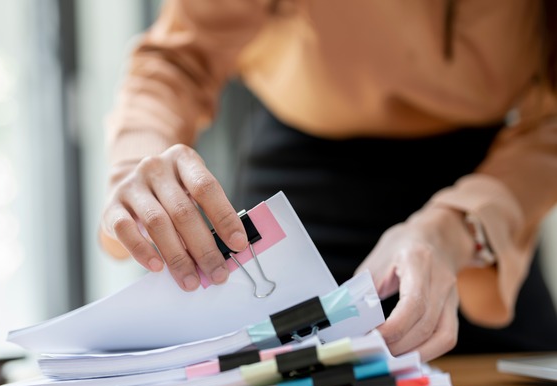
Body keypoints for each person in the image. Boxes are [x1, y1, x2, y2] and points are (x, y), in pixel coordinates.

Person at [97, 0, 557, 361]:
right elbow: (179, 57)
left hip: (484, 199)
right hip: (298, 192)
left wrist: (459, 229)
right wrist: (136, 162)